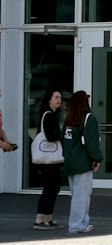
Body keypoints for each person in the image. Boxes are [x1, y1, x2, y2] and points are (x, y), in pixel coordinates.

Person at [61, 91, 103, 235]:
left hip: (70, 161)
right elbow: (92, 142)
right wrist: (97, 159)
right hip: (83, 161)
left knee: (76, 194)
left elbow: (63, 140)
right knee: (82, 195)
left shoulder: (68, 120)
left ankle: (81, 223)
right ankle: (77, 224)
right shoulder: (88, 118)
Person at [31, 91, 64, 229]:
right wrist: (60, 135)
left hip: (49, 159)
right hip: (48, 160)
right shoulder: (49, 115)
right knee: (51, 187)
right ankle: (40, 219)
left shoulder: (49, 115)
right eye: (56, 97)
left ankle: (48, 218)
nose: (59, 100)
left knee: (52, 187)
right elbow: (51, 136)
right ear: (49, 100)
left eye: (60, 98)